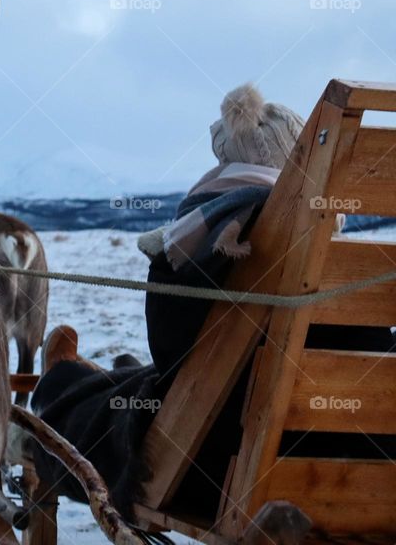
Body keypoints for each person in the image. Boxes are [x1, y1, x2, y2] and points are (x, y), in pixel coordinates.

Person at [30, 84, 396, 520]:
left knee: (99, 413)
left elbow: (171, 356)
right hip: (362, 473)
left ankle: (54, 390)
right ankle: (87, 375)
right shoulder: (353, 267)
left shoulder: (204, 241)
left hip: (220, 471)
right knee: (137, 384)